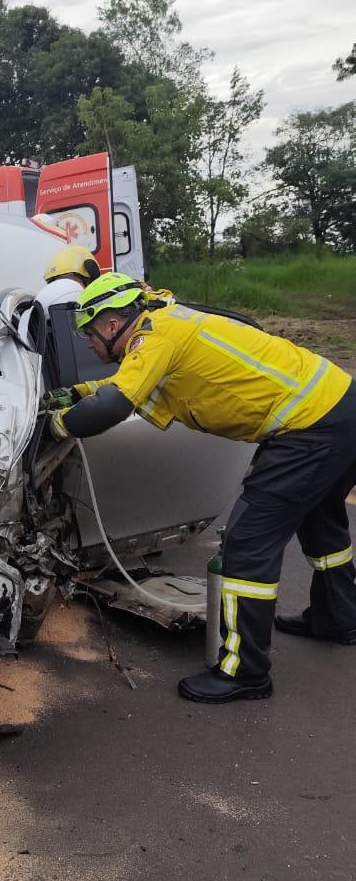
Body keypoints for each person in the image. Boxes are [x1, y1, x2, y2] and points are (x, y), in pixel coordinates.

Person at [47, 272, 356, 704]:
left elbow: (115, 405)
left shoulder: (154, 336)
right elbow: (124, 385)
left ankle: (244, 672)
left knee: (247, 545)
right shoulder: (163, 324)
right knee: (323, 526)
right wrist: (77, 392)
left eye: (88, 334)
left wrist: (59, 423)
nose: (87, 345)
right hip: (337, 404)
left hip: (309, 430)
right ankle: (339, 618)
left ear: (112, 324)